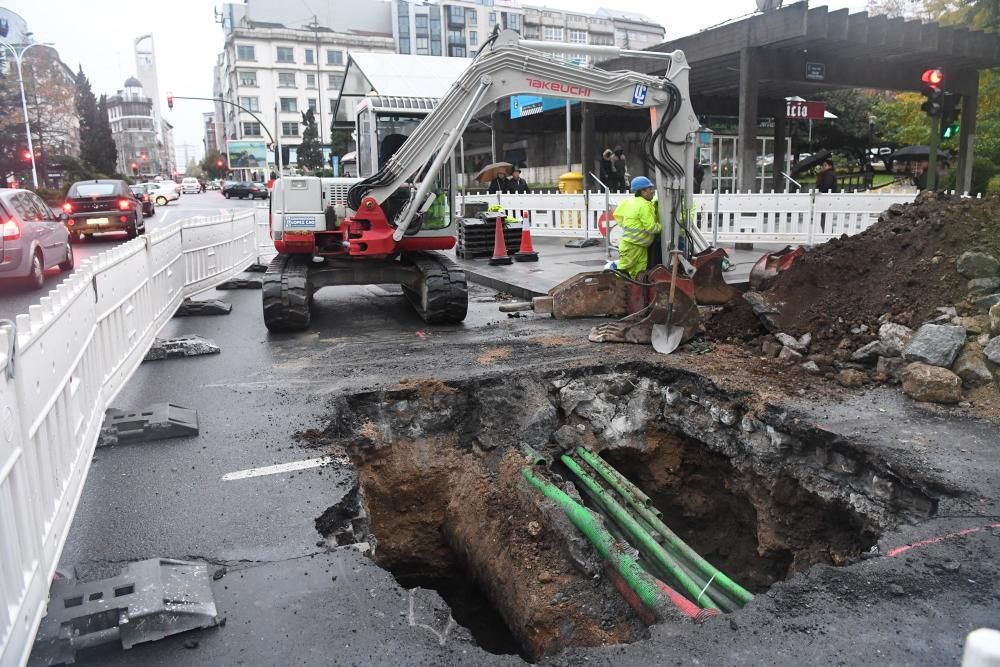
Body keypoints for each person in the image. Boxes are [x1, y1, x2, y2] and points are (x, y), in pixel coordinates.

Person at [612, 176, 662, 278]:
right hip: (634, 246)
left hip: (635, 245)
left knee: (634, 273)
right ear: (643, 192)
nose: (653, 191)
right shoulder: (645, 205)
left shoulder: (630, 201)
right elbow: (651, 228)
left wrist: (627, 226)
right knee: (625, 272)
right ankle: (618, 289)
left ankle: (631, 291)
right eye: (650, 189)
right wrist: (663, 226)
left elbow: (617, 214)